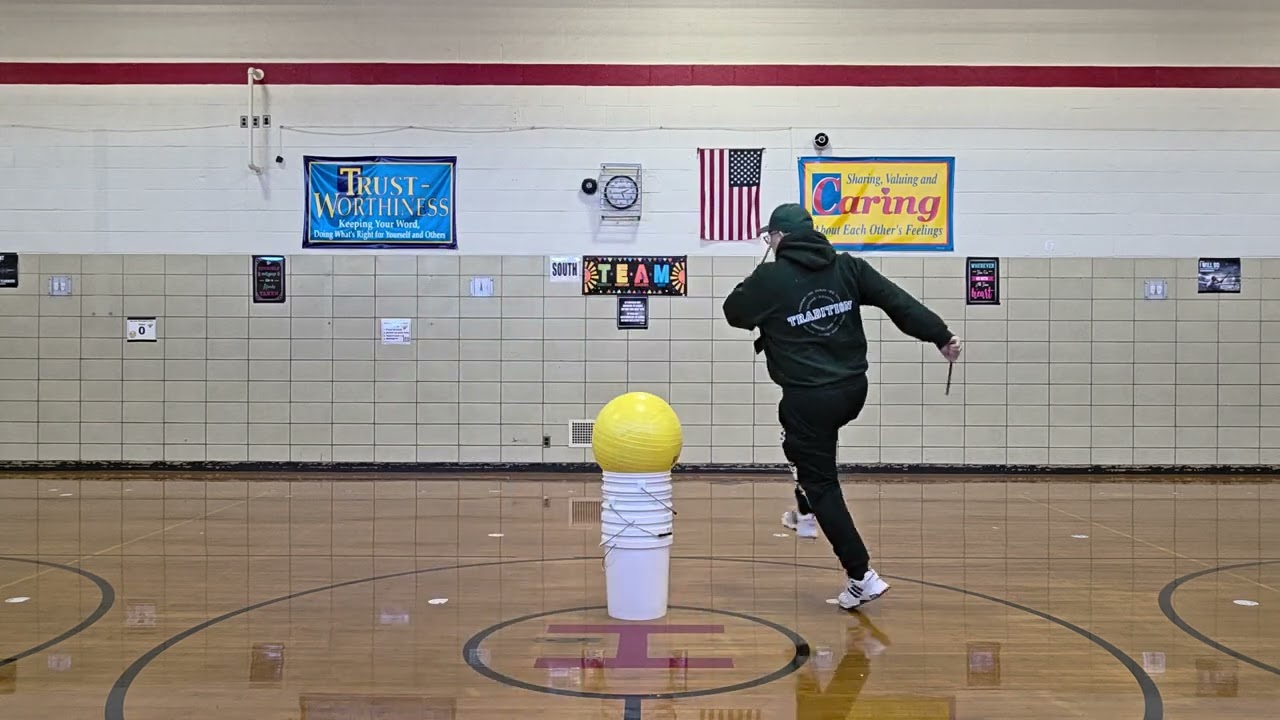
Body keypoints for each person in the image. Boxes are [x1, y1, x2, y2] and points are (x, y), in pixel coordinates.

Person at [722, 202, 962, 609]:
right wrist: (940, 335)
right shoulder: (847, 267)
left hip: (808, 398)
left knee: (820, 479)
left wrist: (762, 273)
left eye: (769, 237)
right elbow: (897, 302)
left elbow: (733, 312)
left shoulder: (770, 277)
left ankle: (860, 575)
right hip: (852, 390)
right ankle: (803, 509)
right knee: (800, 448)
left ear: (778, 237)